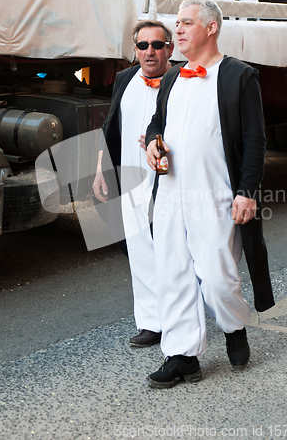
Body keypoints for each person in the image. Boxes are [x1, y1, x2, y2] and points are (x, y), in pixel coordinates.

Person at [145, 0, 274, 389]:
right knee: (173, 275)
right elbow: (157, 124)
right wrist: (152, 142)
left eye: (185, 23)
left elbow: (254, 139)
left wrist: (247, 191)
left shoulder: (239, 76)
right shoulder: (171, 77)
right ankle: (183, 356)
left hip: (214, 196)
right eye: (177, 24)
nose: (177, 31)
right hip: (170, 194)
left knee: (218, 279)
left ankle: (234, 327)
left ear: (211, 26)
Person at [92, 20, 174, 348]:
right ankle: (151, 323)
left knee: (172, 252)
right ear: (135, 49)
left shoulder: (182, 80)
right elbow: (111, 124)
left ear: (170, 48)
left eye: (157, 45)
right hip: (130, 180)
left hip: (169, 180)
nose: (149, 52)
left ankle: (179, 319)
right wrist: (101, 169)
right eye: (143, 46)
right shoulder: (124, 78)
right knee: (139, 252)